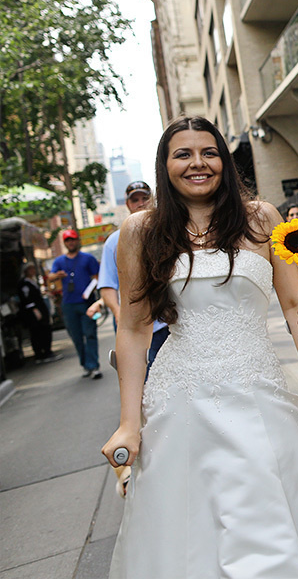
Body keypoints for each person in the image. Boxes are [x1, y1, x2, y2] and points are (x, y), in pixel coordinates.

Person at [100, 116, 298, 578]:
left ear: (224, 161)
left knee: (277, 508)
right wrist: (129, 423)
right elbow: (133, 329)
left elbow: (295, 307)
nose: (198, 163)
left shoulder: (262, 218)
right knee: (192, 527)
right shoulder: (140, 230)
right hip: (180, 397)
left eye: (209, 152)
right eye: (183, 154)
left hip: (259, 387)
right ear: (165, 165)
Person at [87, 180, 168, 498]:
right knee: (143, 401)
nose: (139, 203)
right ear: (127, 203)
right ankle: (138, 468)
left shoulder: (168, 230)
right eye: (134, 199)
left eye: (144, 198)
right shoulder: (115, 240)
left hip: (174, 328)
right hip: (141, 334)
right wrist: (123, 319)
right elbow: (107, 286)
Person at [49, 229, 102, 379]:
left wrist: (91, 290)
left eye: (72, 239)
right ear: (64, 243)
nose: (70, 242)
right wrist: (57, 275)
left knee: (90, 333)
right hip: (69, 304)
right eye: (67, 240)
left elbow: (97, 277)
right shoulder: (59, 261)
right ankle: (85, 365)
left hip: (87, 303)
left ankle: (94, 366)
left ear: (77, 240)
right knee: (76, 337)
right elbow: (51, 277)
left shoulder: (88, 258)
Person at [17, 262, 61, 363]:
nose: (33, 271)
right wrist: (35, 310)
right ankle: (41, 353)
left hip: (40, 309)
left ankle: (46, 351)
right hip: (34, 313)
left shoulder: (32, 281)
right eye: (31, 269)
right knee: (38, 333)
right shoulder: (24, 283)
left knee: (44, 330)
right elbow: (27, 299)